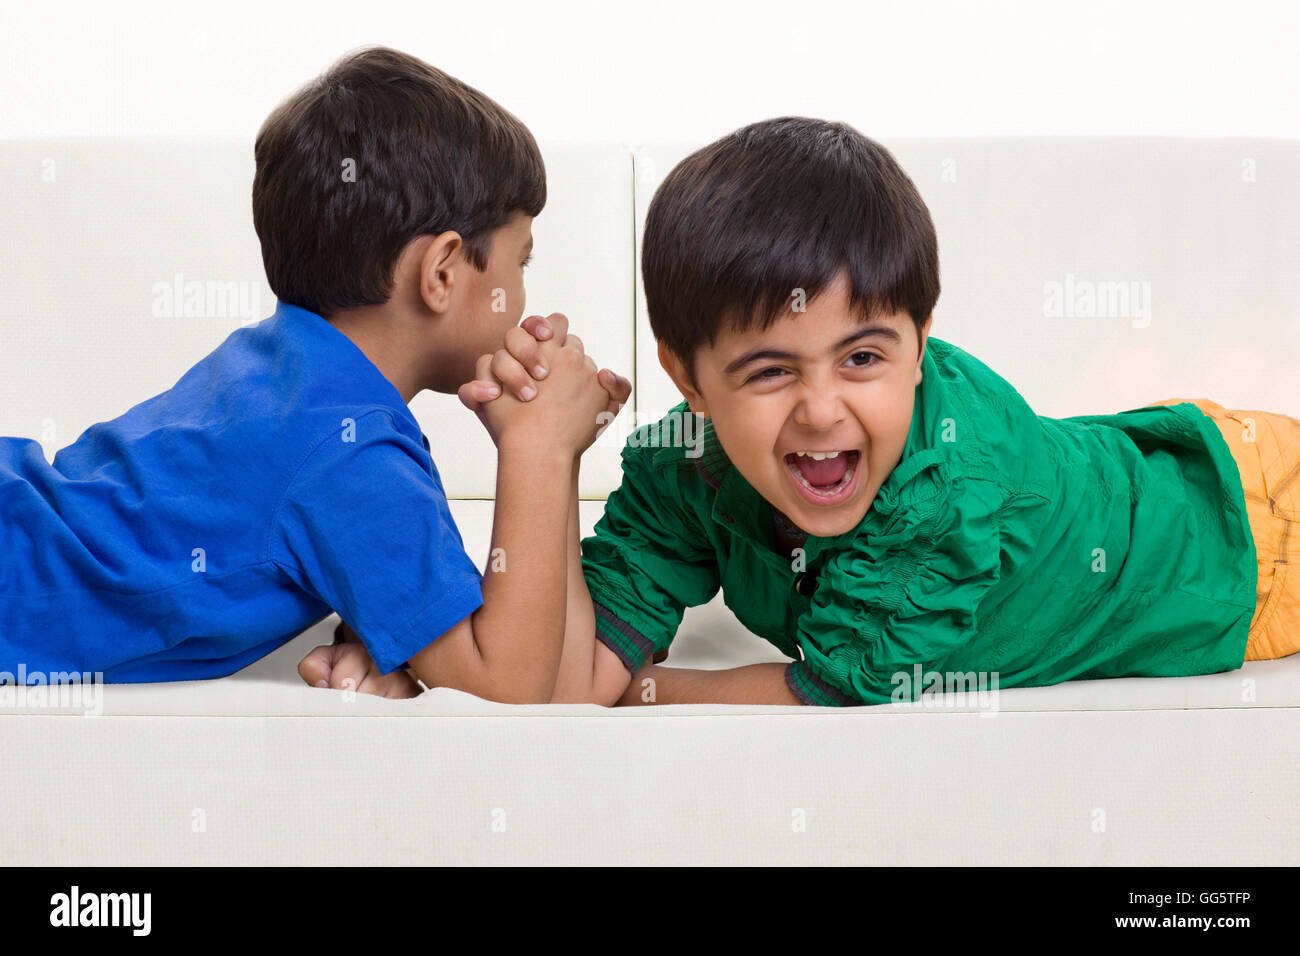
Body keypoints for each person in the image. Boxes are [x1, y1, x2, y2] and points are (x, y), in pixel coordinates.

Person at [0, 46, 630, 705]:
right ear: (443, 272)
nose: (524, 297)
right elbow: (508, 692)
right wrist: (540, 446)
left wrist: (554, 450)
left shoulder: (285, 370)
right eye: (519, 263)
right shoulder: (350, 452)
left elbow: (520, 663)